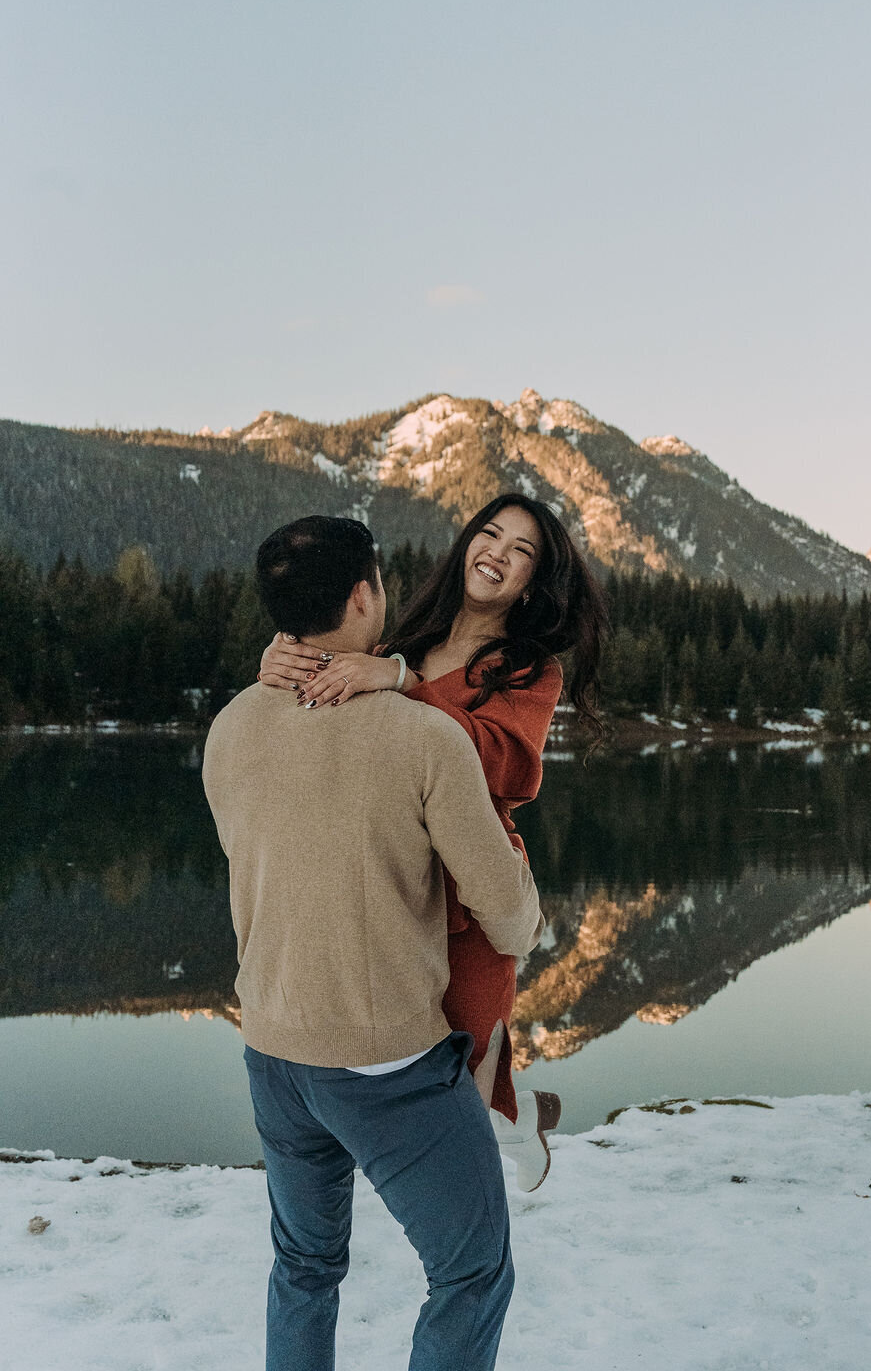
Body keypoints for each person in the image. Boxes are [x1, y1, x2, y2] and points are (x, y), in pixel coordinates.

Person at [203, 514, 545, 1371]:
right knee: (472, 1272)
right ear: (364, 595)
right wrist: (524, 923)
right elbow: (501, 903)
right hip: (385, 1066)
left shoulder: (231, 728)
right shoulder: (423, 738)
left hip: (274, 1054)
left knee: (305, 1265)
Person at [259, 493, 607, 1190]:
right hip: (394, 884)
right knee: (407, 1068)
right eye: (490, 534)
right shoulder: (405, 638)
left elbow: (500, 760)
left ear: (533, 581)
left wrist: (401, 684)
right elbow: (337, 719)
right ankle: (517, 1120)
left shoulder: (529, 669)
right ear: (465, 544)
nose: (498, 554)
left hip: (475, 892)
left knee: (466, 1058)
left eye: (521, 551)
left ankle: (475, 1215)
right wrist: (282, 663)